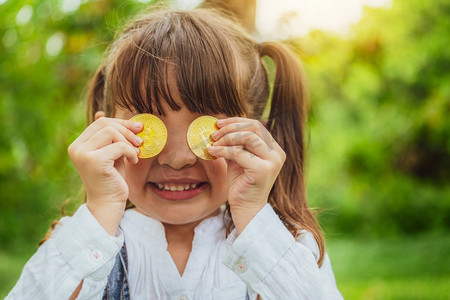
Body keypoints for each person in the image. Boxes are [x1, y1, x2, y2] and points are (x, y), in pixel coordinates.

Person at [7, 7, 343, 300]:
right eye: (148, 125)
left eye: (207, 127)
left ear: (254, 135)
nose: (177, 158)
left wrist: (255, 221)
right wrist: (98, 216)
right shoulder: (78, 241)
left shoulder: (288, 248)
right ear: (107, 133)